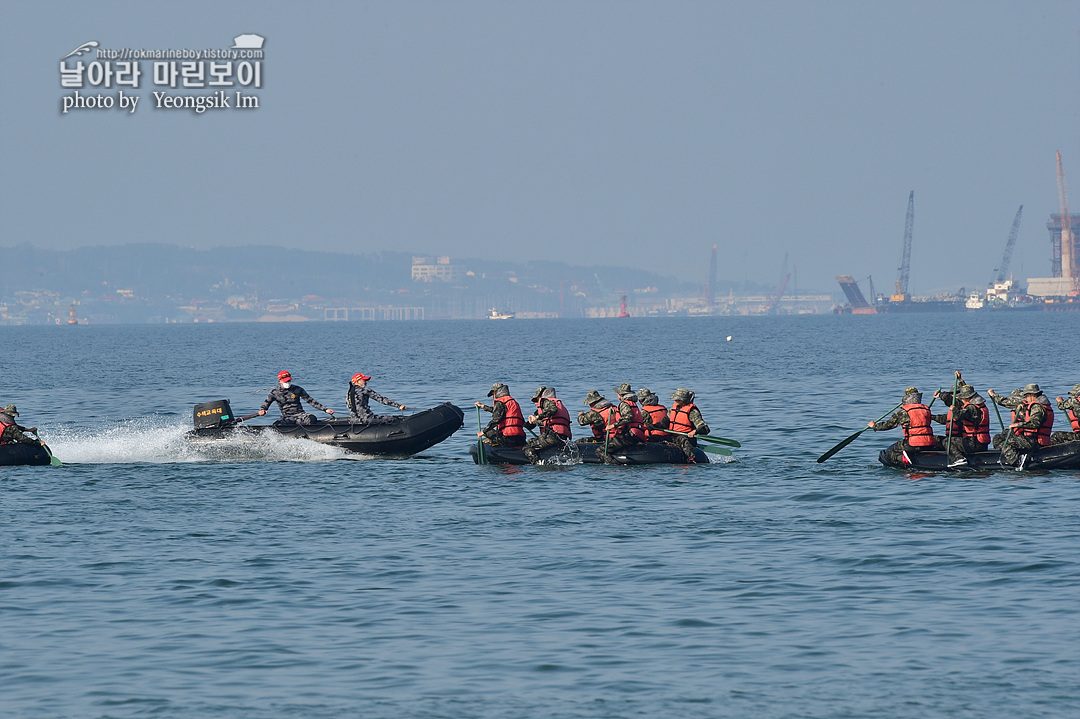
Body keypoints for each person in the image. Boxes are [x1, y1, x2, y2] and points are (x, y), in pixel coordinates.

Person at [868, 387, 938, 466]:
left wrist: (874, 426)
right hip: (930, 442)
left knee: (888, 453)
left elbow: (889, 425)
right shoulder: (926, 409)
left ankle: (904, 459)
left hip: (912, 444)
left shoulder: (903, 412)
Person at [988, 383, 1054, 467]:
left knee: (1003, 441)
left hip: (1034, 441)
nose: (1025, 398)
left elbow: (1034, 423)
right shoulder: (1037, 405)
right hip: (1033, 438)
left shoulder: (1037, 407)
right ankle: (1009, 454)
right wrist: (1023, 414)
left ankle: (1017, 461)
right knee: (1002, 435)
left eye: (1026, 396)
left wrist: (1017, 425)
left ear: (1032, 395)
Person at [931, 378, 990, 466]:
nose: (961, 399)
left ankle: (958, 458)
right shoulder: (977, 406)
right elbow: (948, 418)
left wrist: (954, 409)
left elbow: (958, 416)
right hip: (979, 442)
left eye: (962, 397)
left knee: (947, 441)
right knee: (938, 440)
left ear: (968, 397)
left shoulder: (971, 408)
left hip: (974, 443)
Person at [577, 389, 638, 463]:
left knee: (578, 443)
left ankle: (613, 463)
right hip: (619, 437)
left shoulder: (594, 413)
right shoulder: (614, 407)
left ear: (593, 402)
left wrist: (580, 414)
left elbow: (581, 421)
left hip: (606, 439)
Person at [258, 370, 334, 425]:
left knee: (312, 418)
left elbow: (310, 401)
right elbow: (265, 404)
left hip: (300, 415)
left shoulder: (297, 389)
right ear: (280, 381)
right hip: (287, 417)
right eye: (285, 381)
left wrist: (325, 410)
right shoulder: (274, 392)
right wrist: (262, 410)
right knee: (277, 426)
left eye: (288, 381)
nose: (287, 383)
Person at [522, 386, 573, 464]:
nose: (535, 403)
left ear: (541, 397)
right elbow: (531, 425)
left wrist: (537, 417)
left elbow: (552, 410)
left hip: (553, 437)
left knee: (527, 446)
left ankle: (536, 463)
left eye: (536, 400)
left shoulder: (547, 403)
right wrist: (529, 422)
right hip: (564, 438)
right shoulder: (558, 405)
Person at [663, 387, 710, 462]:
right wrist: (652, 426)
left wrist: (695, 431)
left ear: (683, 400)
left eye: (677, 399)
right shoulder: (673, 409)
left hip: (687, 438)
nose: (675, 400)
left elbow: (704, 428)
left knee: (682, 440)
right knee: (656, 437)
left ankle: (691, 459)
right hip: (672, 437)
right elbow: (665, 421)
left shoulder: (692, 412)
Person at [475, 383, 526, 447]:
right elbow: (498, 411)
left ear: (496, 392)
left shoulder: (500, 403)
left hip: (508, 438)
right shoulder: (513, 402)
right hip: (521, 438)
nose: (493, 397)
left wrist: (483, 432)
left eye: (493, 394)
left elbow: (496, 420)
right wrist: (483, 406)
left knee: (488, 432)